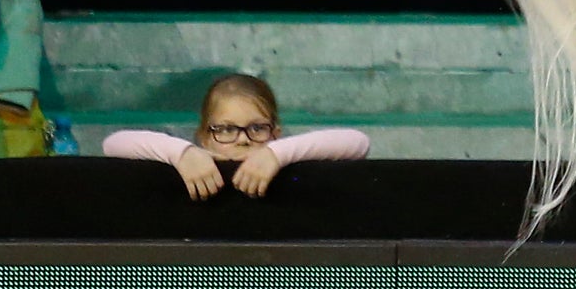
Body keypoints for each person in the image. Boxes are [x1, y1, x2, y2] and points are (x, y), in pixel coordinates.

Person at [101, 71, 374, 197]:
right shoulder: (192, 158)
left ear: (274, 133)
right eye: (227, 129)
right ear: (206, 136)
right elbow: (113, 144)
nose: (243, 139)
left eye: (257, 128)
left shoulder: (281, 155)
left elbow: (357, 142)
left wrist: (275, 155)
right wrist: (183, 154)